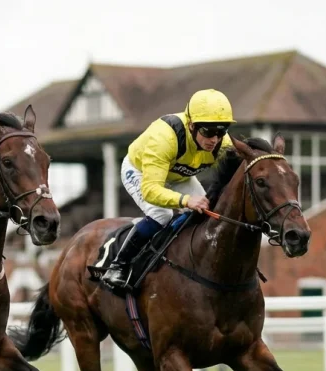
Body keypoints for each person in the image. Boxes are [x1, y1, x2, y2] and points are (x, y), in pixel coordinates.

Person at [101, 88, 236, 289]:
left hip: (179, 176)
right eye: (208, 132)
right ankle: (117, 266)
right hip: (140, 171)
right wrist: (185, 201)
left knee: (208, 212)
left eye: (221, 131)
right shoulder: (164, 137)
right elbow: (150, 190)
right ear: (191, 125)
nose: (214, 140)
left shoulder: (222, 144)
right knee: (161, 215)